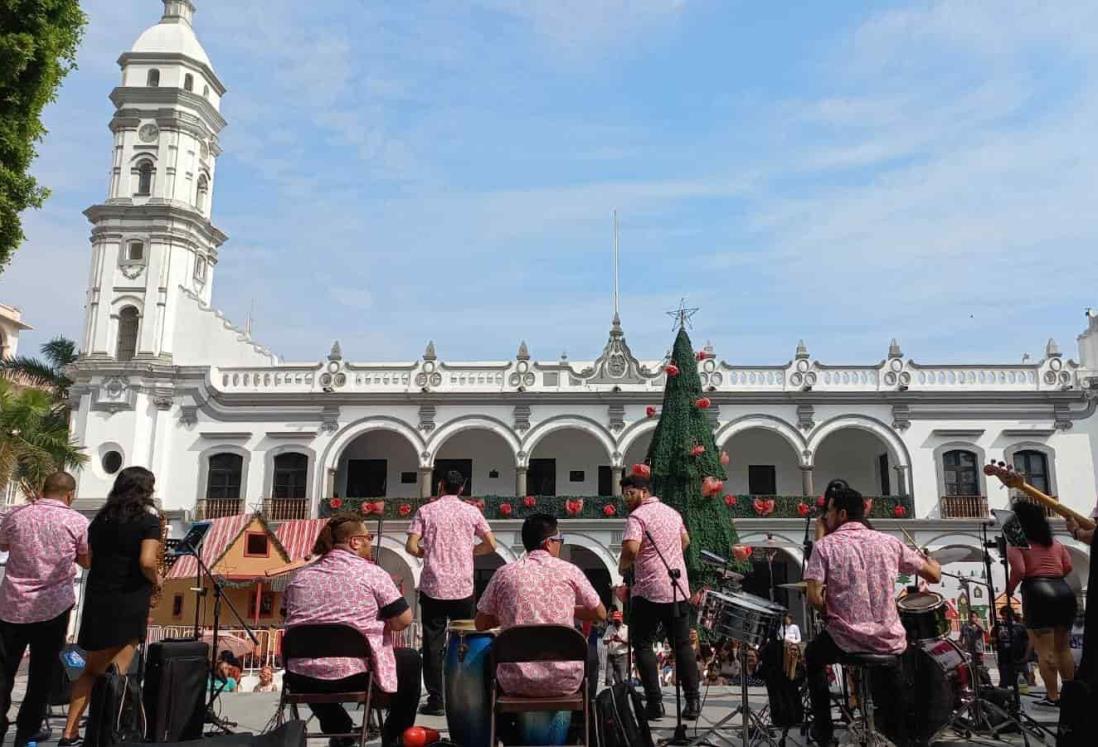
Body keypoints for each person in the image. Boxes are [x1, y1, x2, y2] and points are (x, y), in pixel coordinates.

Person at [804, 479, 941, 746]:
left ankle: (824, 732)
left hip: (845, 640)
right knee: (893, 677)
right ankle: (899, 732)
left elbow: (812, 596)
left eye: (829, 511)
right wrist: (932, 561)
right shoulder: (889, 542)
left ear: (841, 514)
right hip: (887, 640)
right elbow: (933, 575)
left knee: (812, 657)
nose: (826, 516)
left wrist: (830, 610)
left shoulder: (825, 546)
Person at [283, 513, 421, 747]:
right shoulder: (372, 573)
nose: (371, 543)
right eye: (369, 537)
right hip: (355, 676)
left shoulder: (300, 577)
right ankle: (394, 736)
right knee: (409, 660)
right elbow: (404, 620)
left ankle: (338, 726)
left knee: (315, 663)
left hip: (301, 677)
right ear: (355, 541)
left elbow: (290, 619)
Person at [63, 466, 163, 747]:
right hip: (128, 599)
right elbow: (146, 561)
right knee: (118, 671)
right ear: (146, 490)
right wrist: (158, 578)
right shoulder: (147, 521)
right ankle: (108, 732)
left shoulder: (100, 521)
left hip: (98, 597)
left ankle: (69, 732)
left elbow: (89, 560)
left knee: (89, 671)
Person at [0, 473, 89, 747]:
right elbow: (86, 560)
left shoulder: (17, 516)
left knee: (3, 670)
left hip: (12, 604)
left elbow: (4, 545)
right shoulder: (77, 521)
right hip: (53, 607)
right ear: (70, 495)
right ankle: (27, 730)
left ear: (43, 489)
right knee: (41, 673)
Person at [475, 513, 606, 699]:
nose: (560, 544)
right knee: (591, 655)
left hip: (514, 681)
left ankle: (495, 724)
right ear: (548, 543)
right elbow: (600, 613)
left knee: (484, 655)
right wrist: (569, 608)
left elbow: (480, 623)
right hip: (564, 680)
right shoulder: (570, 571)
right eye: (559, 539)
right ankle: (583, 721)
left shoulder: (503, 574)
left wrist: (510, 613)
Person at [405, 469, 496, 715]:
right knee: (464, 641)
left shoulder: (426, 511)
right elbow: (491, 544)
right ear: (462, 487)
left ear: (441, 485)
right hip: (462, 587)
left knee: (433, 644)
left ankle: (437, 700)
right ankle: (467, 693)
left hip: (433, 586)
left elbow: (411, 545)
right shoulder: (471, 511)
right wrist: (470, 552)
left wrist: (429, 553)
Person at [618, 473, 701, 721]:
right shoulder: (672, 513)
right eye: (624, 494)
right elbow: (685, 540)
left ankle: (655, 703)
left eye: (629, 493)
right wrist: (668, 553)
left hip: (649, 589)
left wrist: (624, 566)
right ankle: (693, 701)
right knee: (682, 644)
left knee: (642, 643)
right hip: (677, 588)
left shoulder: (637, 516)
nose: (626, 499)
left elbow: (631, 549)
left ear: (644, 492)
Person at [1006, 499, 1076, 706]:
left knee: (1044, 650)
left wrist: (1009, 590)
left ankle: (1053, 696)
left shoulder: (1017, 542)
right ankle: (1071, 695)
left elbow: (1020, 570)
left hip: (1038, 592)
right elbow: (1068, 566)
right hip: (1062, 590)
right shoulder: (1055, 543)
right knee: (1063, 648)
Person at [991, 606, 1030, 690]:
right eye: (1003, 615)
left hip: (1019, 658)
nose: (1004, 617)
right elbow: (991, 639)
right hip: (1004, 659)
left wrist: (1026, 656)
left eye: (1006, 615)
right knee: (1005, 682)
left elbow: (1028, 642)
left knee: (1022, 683)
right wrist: (995, 642)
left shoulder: (1020, 627)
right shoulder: (998, 627)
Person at [603, 611, 630, 686]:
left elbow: (630, 643)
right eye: (615, 620)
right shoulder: (609, 628)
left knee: (621, 679)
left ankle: (620, 695)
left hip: (622, 656)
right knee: (608, 678)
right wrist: (611, 639)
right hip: (611, 656)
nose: (616, 622)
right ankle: (609, 694)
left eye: (618, 620)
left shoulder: (626, 628)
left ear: (621, 620)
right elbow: (604, 642)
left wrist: (620, 640)